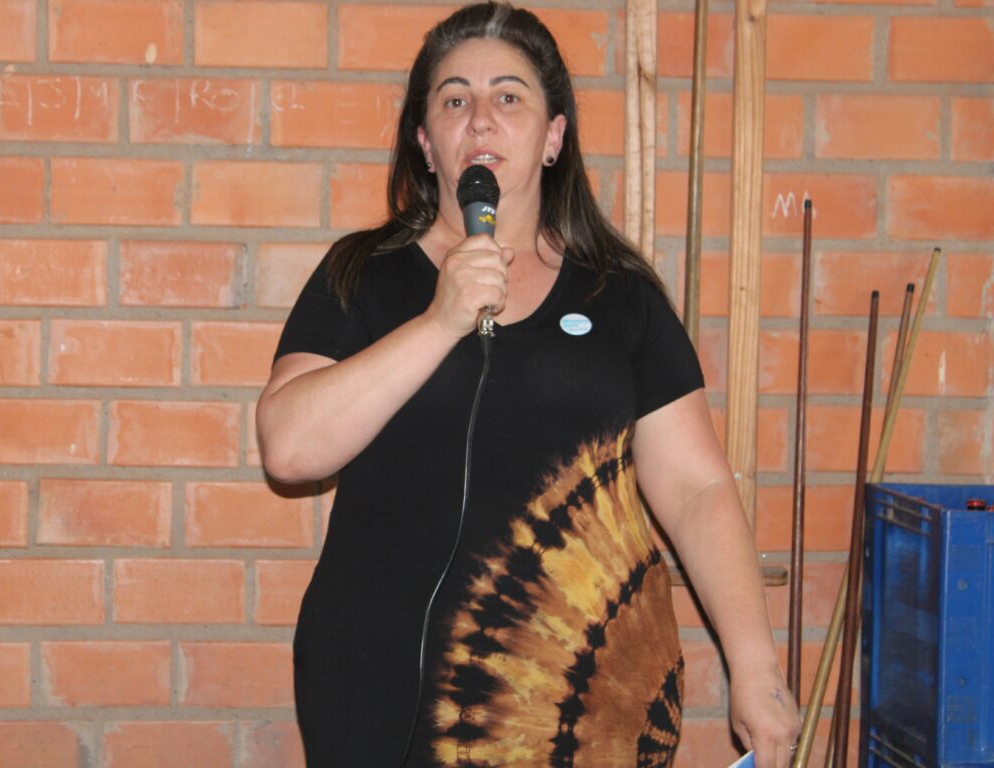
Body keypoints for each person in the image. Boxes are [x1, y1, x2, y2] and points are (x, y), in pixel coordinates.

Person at [256, 3, 801, 766]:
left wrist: (756, 668)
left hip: (582, 713)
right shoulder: (363, 275)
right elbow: (289, 448)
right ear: (426, 143)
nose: (481, 117)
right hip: (381, 696)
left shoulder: (621, 297)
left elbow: (697, 490)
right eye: (454, 100)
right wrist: (440, 320)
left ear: (553, 137)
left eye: (509, 96)